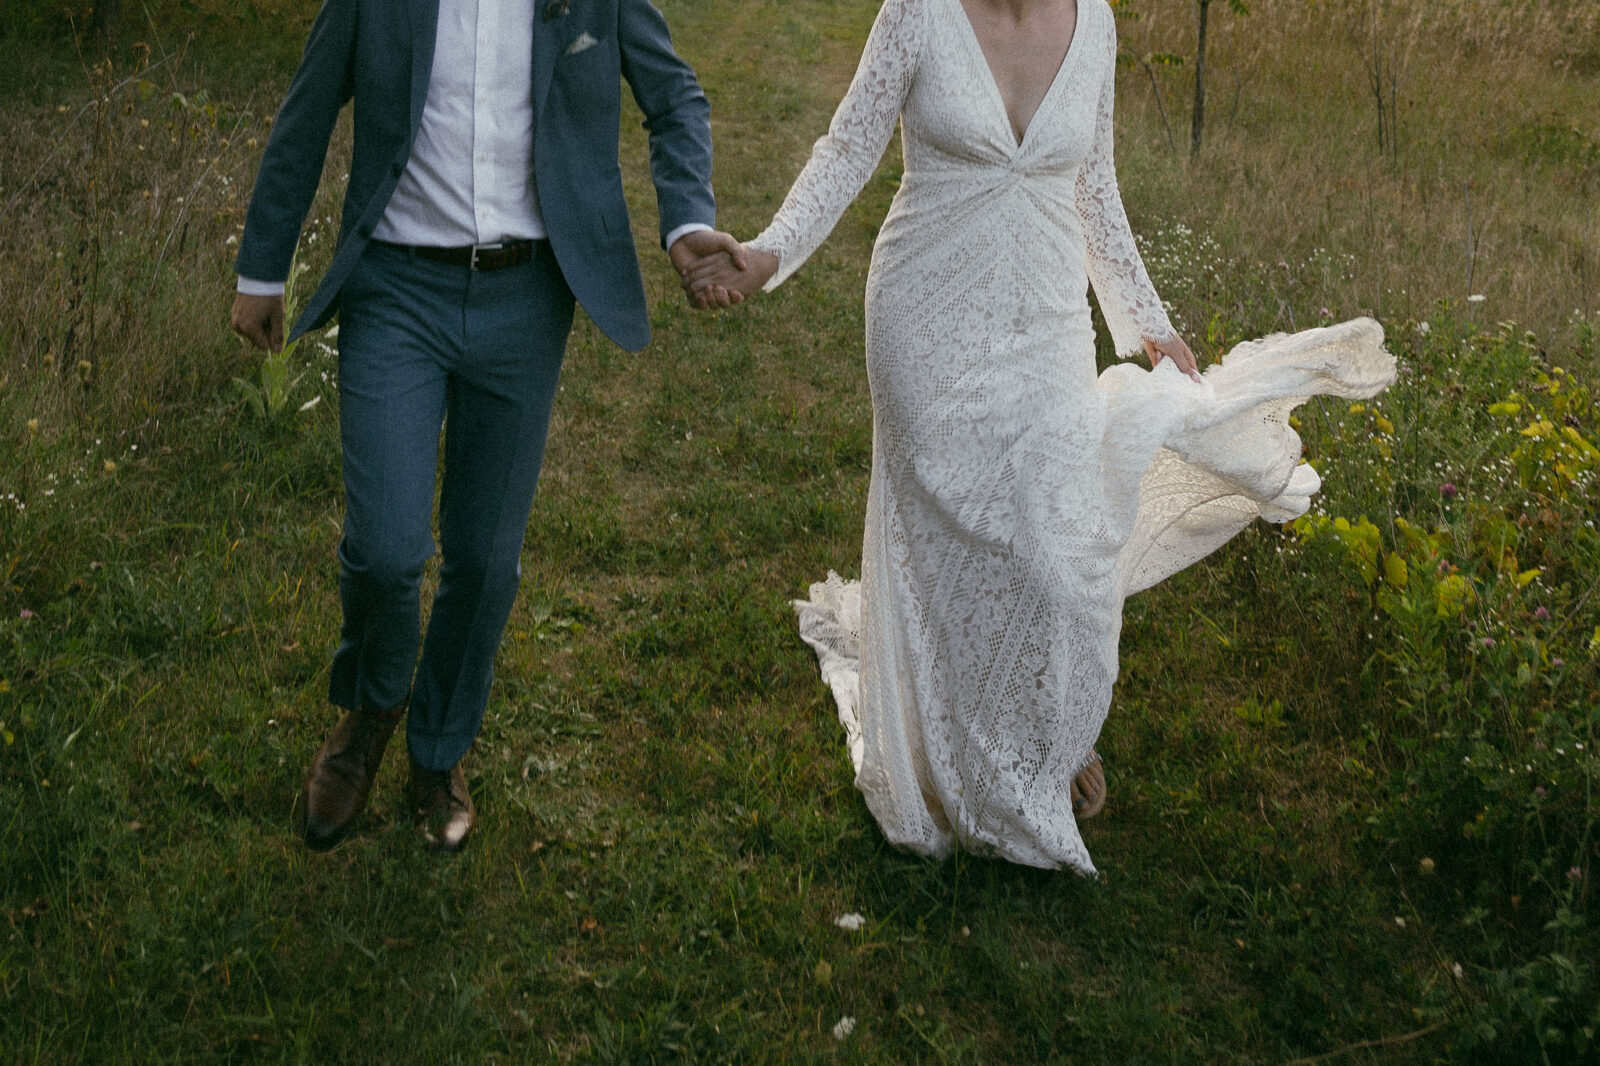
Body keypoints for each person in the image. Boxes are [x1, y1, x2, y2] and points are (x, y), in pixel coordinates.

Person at [683, 0, 1394, 872]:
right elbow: (846, 150)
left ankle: (1049, 735)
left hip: (1048, 324)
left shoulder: (1093, 21)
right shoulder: (917, 11)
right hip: (926, 317)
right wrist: (766, 254)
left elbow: (1094, 183)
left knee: (1059, 547)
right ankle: (962, 754)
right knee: (945, 547)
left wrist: (1146, 324)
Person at [230, 0, 742, 852]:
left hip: (526, 299)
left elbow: (675, 94)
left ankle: (438, 750)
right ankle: (372, 708)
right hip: (395, 290)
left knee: (483, 559)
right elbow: (310, 106)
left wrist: (686, 219)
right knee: (388, 550)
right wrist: (262, 265)